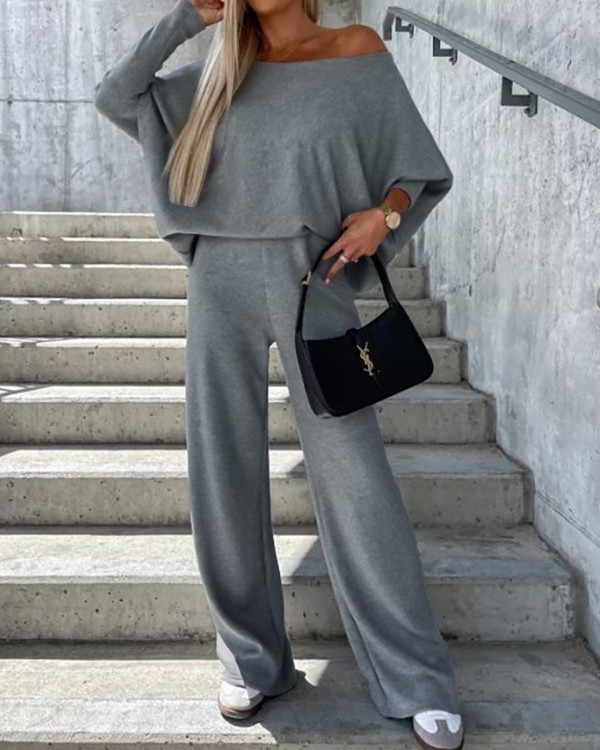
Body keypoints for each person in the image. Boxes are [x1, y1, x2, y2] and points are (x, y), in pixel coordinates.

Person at [93, 1, 464, 747]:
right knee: (222, 469)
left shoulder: (353, 48)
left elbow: (414, 169)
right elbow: (116, 95)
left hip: (313, 276)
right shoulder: (218, 74)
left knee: (356, 477)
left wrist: (384, 217)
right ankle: (251, 660)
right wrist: (185, 19)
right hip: (219, 277)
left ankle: (417, 676)